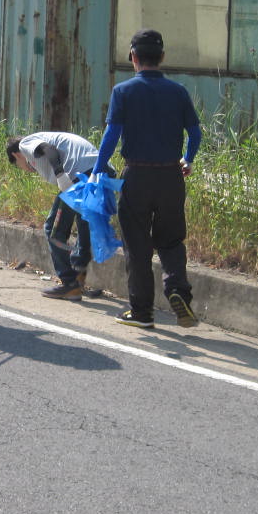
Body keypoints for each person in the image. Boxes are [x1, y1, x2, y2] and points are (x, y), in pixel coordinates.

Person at [96, 28, 202, 329]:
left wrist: (99, 169)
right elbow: (195, 133)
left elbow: (111, 134)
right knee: (171, 241)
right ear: (162, 57)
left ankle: (141, 312)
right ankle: (178, 291)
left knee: (137, 246)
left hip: (137, 176)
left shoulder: (123, 91)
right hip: (171, 175)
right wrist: (187, 159)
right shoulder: (178, 92)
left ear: (133, 57)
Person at [7, 131, 98, 299]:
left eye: (18, 165)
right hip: (101, 171)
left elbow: (48, 149)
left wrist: (60, 174)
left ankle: (70, 284)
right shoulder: (50, 137)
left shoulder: (25, 144)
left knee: (54, 230)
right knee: (84, 225)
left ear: (16, 155)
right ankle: (78, 278)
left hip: (80, 176)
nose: (26, 169)